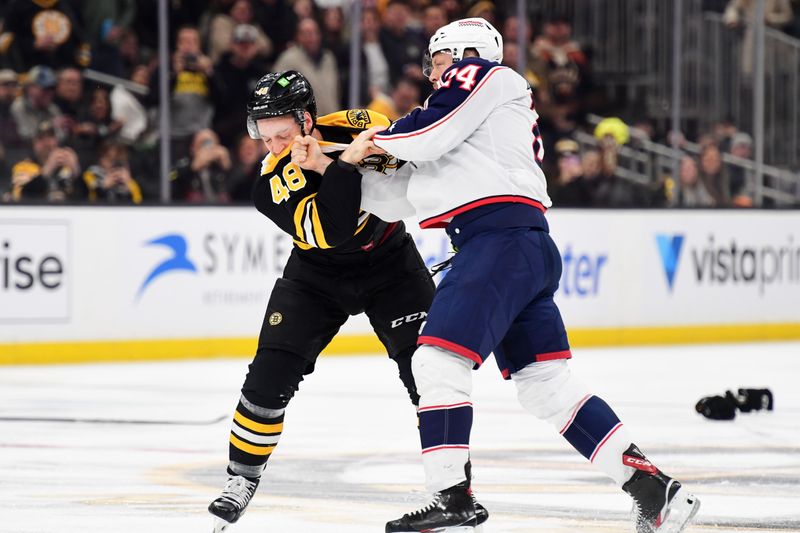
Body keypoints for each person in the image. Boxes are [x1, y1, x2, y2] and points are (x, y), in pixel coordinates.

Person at [358, 18, 700, 533]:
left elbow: (421, 137)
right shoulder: (474, 117)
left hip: (496, 243)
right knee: (544, 385)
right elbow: (400, 190)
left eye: (436, 61)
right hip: (515, 245)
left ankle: (451, 495)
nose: (432, 74)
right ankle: (655, 490)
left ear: (463, 52)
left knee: (435, 360)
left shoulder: (484, 78)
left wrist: (374, 139)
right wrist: (334, 166)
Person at [206, 70, 488, 533]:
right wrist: (339, 165)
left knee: (430, 375)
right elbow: (332, 230)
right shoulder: (268, 186)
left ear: (307, 120)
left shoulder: (360, 122)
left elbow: (406, 174)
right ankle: (241, 478)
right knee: (268, 376)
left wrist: (339, 157)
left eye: (282, 133)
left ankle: (454, 490)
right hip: (317, 274)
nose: (274, 145)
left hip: (392, 263)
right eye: (265, 135)